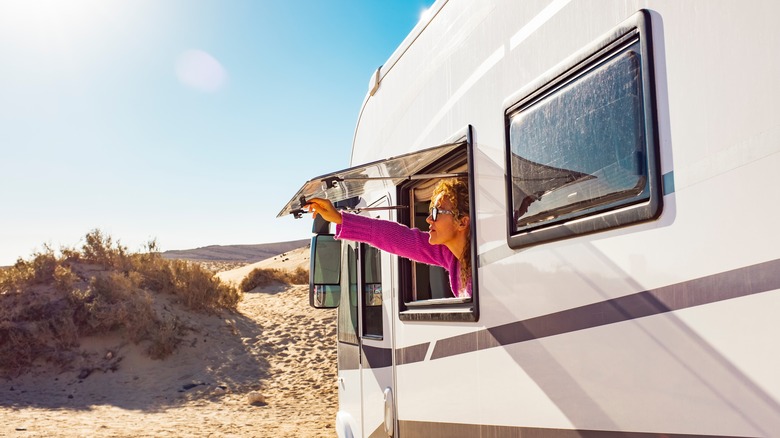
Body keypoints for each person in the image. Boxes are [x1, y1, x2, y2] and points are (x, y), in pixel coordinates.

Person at [306, 178, 472, 298]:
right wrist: (339, 219)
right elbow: (395, 237)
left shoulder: (482, 263)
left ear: (462, 222)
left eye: (436, 213)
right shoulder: (449, 256)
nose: (429, 219)